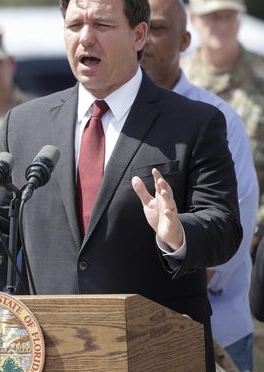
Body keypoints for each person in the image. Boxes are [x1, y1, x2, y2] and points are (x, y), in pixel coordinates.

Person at [0, 0, 242, 370]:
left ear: (139, 35)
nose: (85, 38)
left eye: (102, 25)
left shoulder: (195, 123)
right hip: (50, 349)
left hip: (156, 350)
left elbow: (222, 225)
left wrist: (178, 233)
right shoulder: (23, 124)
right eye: (74, 25)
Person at [140, 0, 257, 370]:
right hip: (123, 330)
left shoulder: (218, 119)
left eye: (156, 28)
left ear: (185, 38)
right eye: (135, 28)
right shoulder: (99, 119)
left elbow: (225, 243)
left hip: (212, 330)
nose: (143, 40)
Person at [181, 0, 264, 257]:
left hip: (258, 241)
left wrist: (255, 226)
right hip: (190, 238)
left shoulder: (261, 75)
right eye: (212, 17)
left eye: (228, 16)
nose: (222, 25)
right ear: (193, 19)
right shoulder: (177, 79)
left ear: (239, 20)